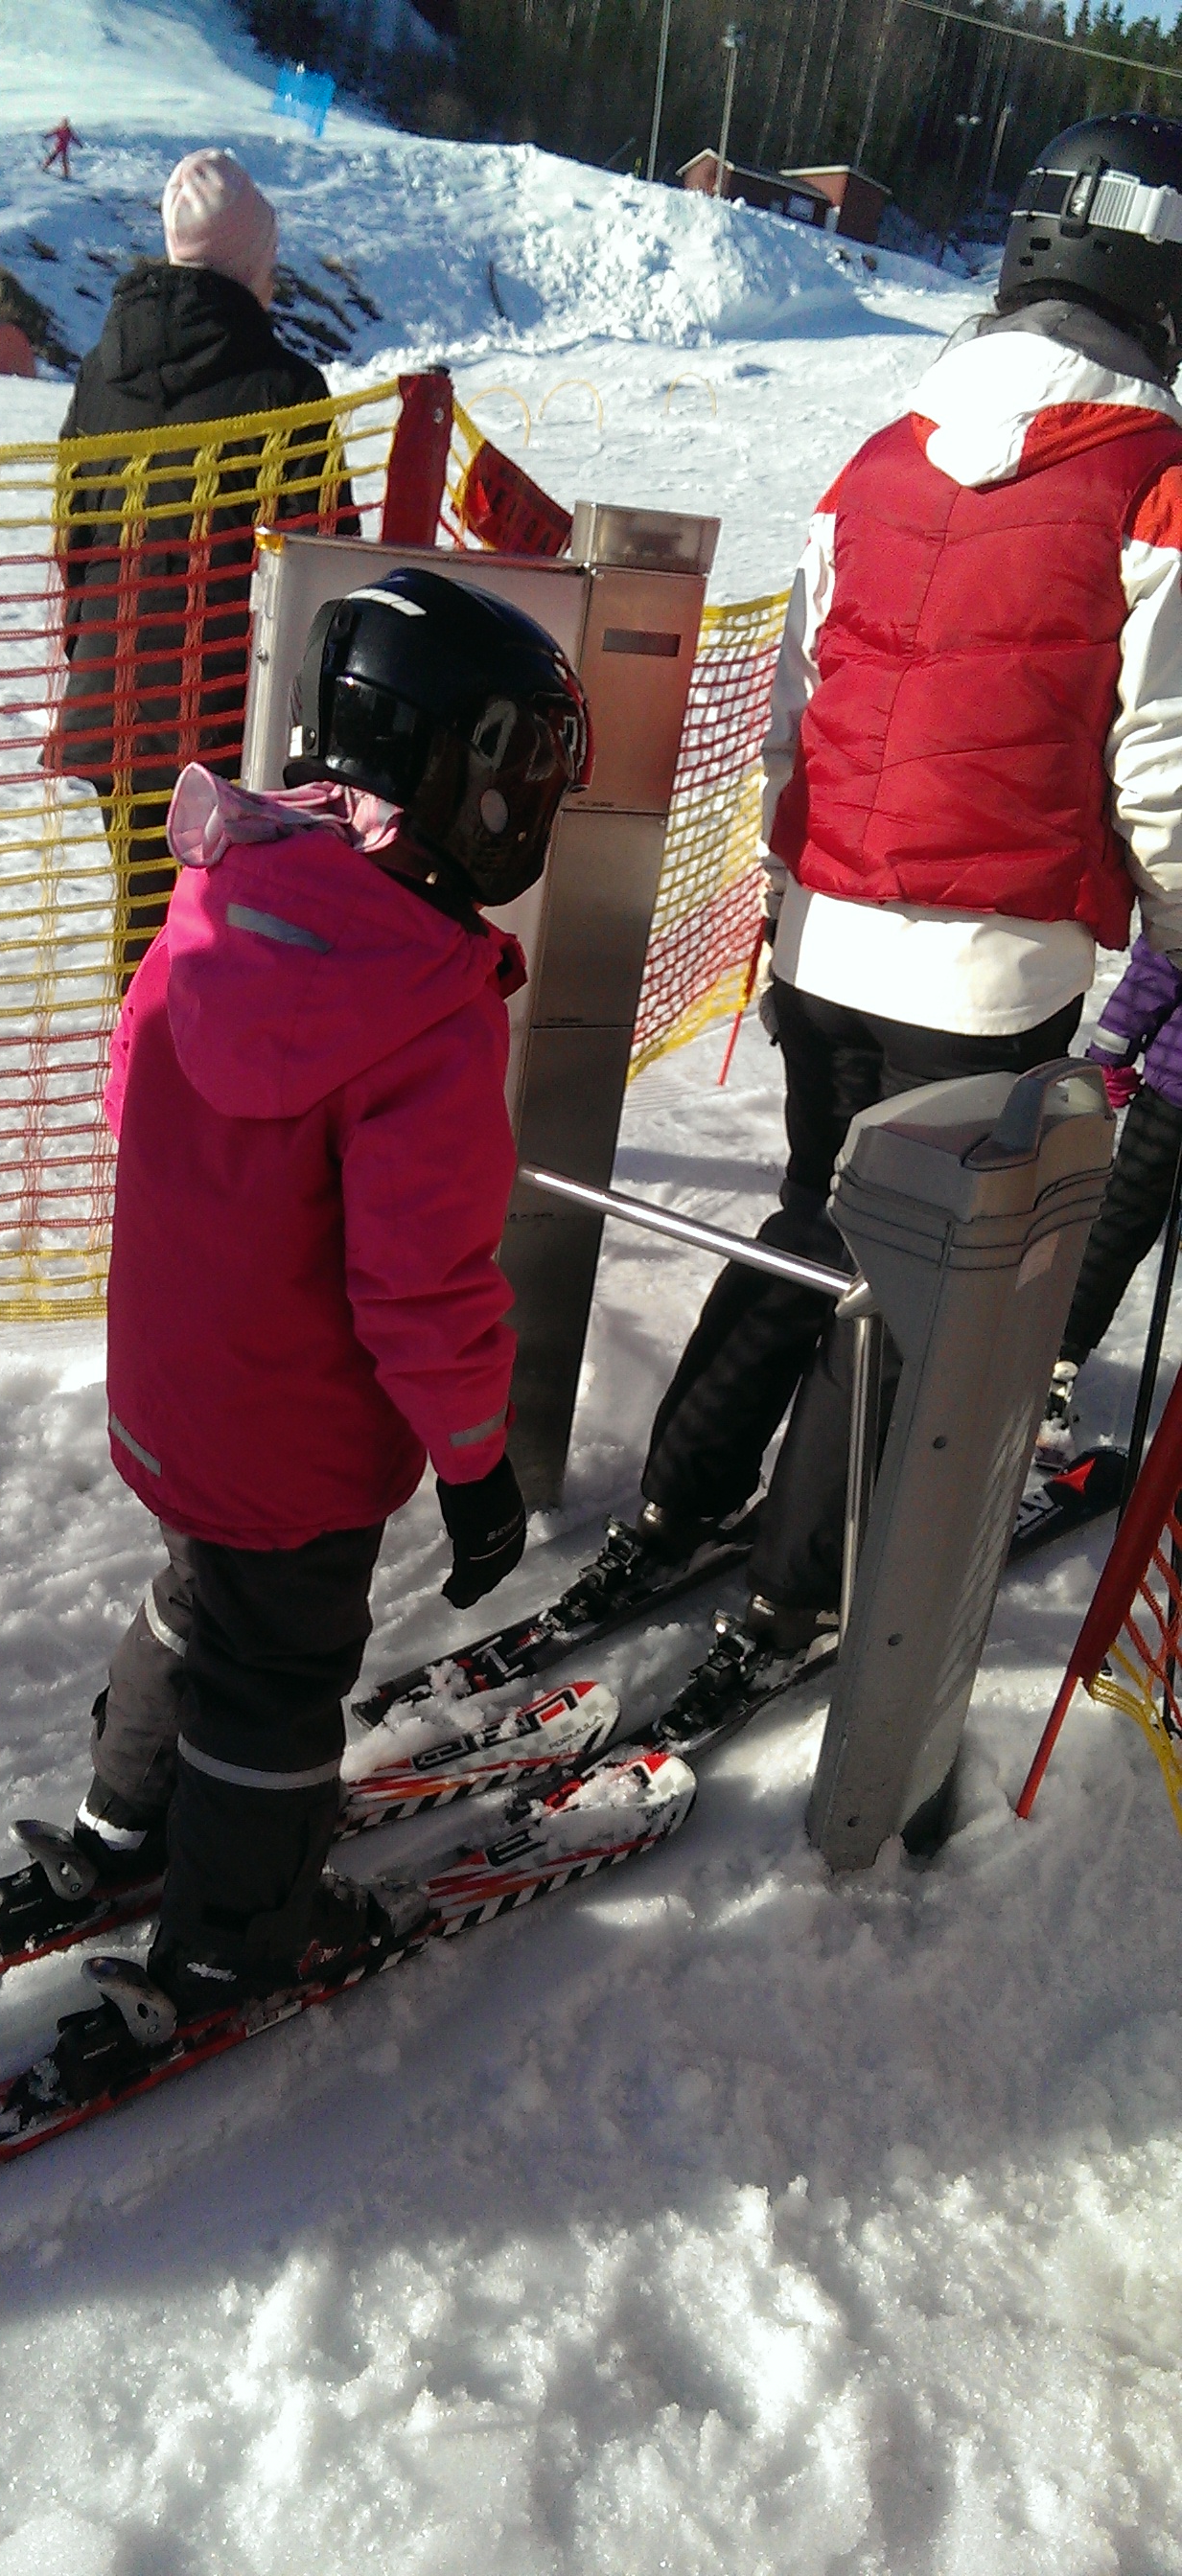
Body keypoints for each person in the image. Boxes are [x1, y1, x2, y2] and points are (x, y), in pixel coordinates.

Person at [586, 113, 1182, 1696]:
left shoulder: (879, 457)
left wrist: (802, 880)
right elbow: (1165, 756)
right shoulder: (1156, 484)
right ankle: (800, 1586)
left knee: (814, 1211)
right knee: (912, 1280)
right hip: (990, 965)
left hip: (828, 929)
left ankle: (682, 1490)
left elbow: (796, 702)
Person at [72, 569, 592, 2018]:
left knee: (203, 1595)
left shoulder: (226, 888)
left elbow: (130, 1099)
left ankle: (123, 1815)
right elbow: (421, 1288)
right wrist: (475, 1468)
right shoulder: (422, 1005)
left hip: (172, 1390)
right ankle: (234, 1934)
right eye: (506, 780)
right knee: (279, 1678)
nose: (517, 821)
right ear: (436, 771)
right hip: (292, 1436)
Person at [50, 150, 350, 982]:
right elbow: (329, 570)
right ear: (251, 258)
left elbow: (75, 536)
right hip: (231, 722)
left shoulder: (99, 375)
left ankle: (139, 1063)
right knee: (235, 944)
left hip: (115, 703)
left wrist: (90, 656)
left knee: (146, 932)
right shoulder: (285, 390)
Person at [1036, 936, 1182, 1462]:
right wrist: (1108, 1057)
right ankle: (1055, 1364)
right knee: (1119, 1226)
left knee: (1119, 1225)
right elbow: (1163, 957)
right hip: (1173, 1100)